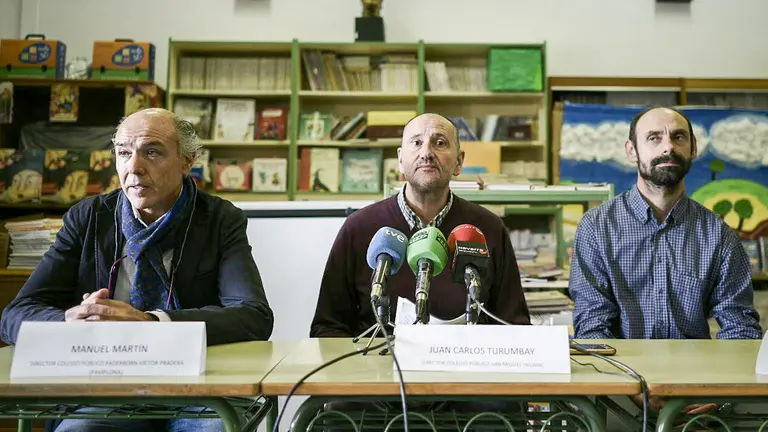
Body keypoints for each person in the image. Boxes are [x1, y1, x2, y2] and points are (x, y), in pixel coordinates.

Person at [0, 108, 274, 432]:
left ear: (188, 161)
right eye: (123, 153)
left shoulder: (219, 219)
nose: (134, 167)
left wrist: (152, 323)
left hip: (199, 388)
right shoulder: (88, 218)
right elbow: (15, 315)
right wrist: (68, 321)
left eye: (152, 152)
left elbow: (253, 315)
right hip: (105, 391)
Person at [569, 106, 762, 415]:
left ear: (693, 148)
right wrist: (630, 388)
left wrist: (719, 391)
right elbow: (592, 327)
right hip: (618, 398)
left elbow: (740, 329)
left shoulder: (718, 234)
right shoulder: (597, 227)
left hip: (698, 398)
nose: (668, 146)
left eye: (678, 137)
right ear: (632, 151)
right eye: (654, 138)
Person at [310, 112, 530, 337]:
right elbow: (328, 327)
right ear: (400, 160)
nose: (426, 152)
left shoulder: (488, 229)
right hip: (377, 367)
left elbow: (515, 325)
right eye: (416, 143)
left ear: (459, 162)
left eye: (440, 143)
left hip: (465, 368)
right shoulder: (359, 228)